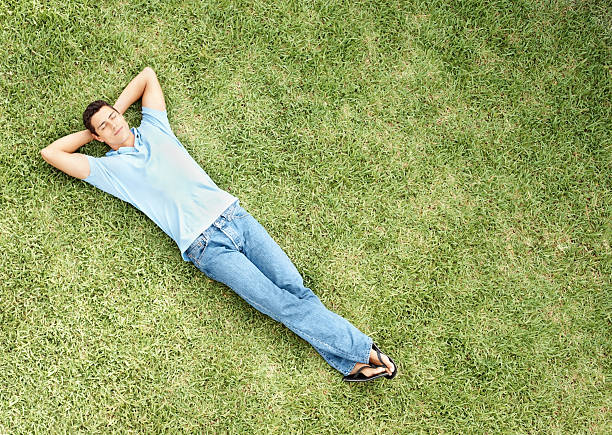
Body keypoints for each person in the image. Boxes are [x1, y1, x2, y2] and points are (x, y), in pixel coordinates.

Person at [41, 67, 397, 382]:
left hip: (235, 216)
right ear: (99, 138)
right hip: (207, 247)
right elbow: (52, 154)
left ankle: (349, 364)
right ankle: (362, 349)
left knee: (295, 288)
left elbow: (148, 75)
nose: (114, 123)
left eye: (114, 116)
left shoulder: (156, 128)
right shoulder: (109, 171)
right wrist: (93, 134)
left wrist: (113, 113)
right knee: (278, 302)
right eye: (104, 126)